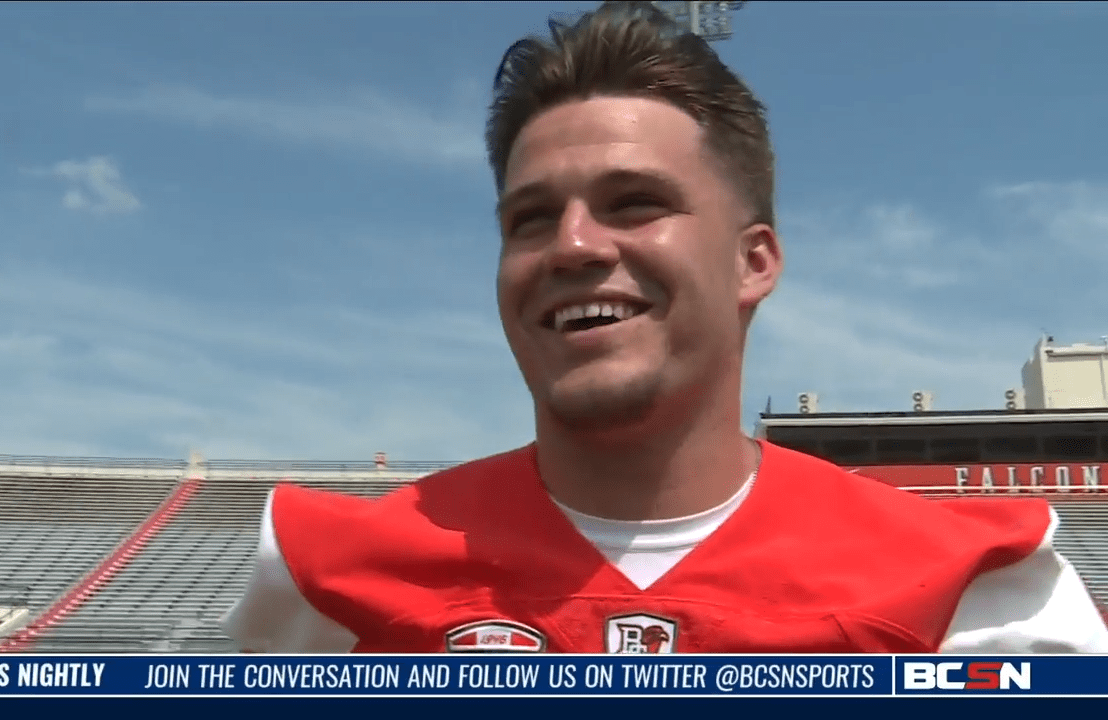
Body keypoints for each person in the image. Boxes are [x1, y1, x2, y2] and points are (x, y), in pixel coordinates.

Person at [221, 2, 1108, 654]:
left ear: (753, 262)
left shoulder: (985, 591)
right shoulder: (326, 573)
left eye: (635, 204)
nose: (571, 245)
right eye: (529, 218)